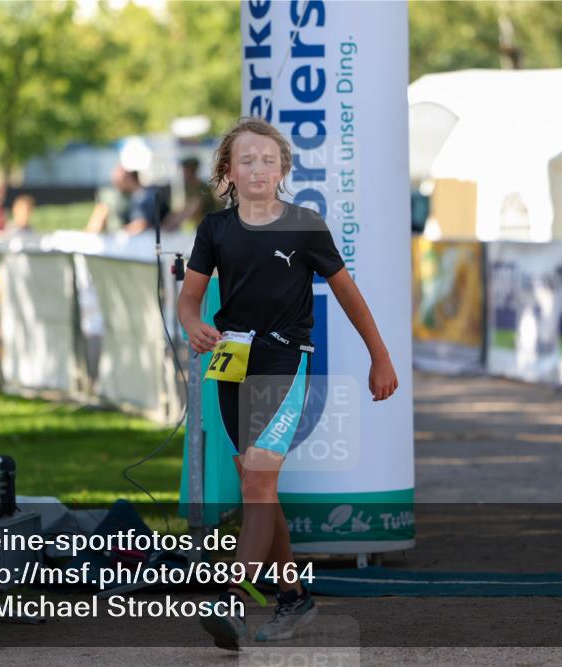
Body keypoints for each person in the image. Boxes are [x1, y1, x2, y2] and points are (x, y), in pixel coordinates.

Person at [178, 117, 398, 649]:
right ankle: (294, 596)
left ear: (283, 169)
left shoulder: (305, 225)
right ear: (228, 171)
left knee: (257, 482)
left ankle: (231, 598)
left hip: (285, 360)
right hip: (232, 363)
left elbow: (347, 293)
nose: (258, 168)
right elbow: (189, 300)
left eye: (268, 160)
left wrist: (380, 356)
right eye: (246, 160)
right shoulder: (214, 229)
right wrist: (192, 325)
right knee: (257, 485)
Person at [86, 164, 159, 235]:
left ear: (129, 177)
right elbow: (97, 222)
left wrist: (122, 233)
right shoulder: (111, 196)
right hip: (117, 238)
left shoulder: (144, 196)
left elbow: (141, 225)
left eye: (118, 180)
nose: (115, 182)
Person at [163, 157, 223, 233]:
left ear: (192, 171)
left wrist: (172, 224)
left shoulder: (204, 188)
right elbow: (178, 209)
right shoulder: (185, 188)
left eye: (185, 170)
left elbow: (194, 208)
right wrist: (168, 221)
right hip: (189, 230)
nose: (182, 173)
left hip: (206, 230)